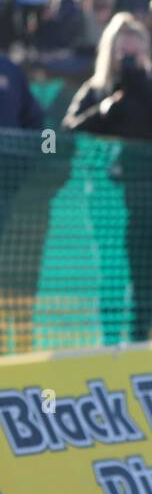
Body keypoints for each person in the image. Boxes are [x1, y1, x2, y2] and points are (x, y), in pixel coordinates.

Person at [64, 12, 152, 343]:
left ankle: (139, 343)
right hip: (108, 197)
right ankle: (109, 345)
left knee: (145, 275)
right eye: (123, 54)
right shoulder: (96, 91)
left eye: (135, 53)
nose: (130, 60)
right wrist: (109, 107)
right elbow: (69, 131)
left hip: (151, 197)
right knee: (111, 272)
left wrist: (143, 88)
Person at [0, 49, 43, 352]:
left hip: (8, 190)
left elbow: (36, 122)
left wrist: (21, 165)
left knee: (11, 270)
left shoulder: (10, 71)